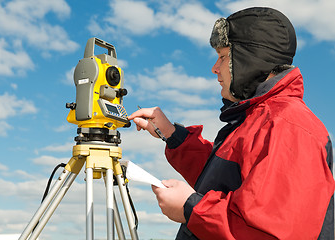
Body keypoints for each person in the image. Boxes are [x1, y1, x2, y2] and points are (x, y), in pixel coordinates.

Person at [128, 7, 334, 240]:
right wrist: (171, 134)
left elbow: (270, 232)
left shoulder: (289, 127)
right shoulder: (257, 119)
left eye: (223, 57)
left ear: (250, 60)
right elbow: (222, 181)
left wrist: (191, 208)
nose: (215, 68)